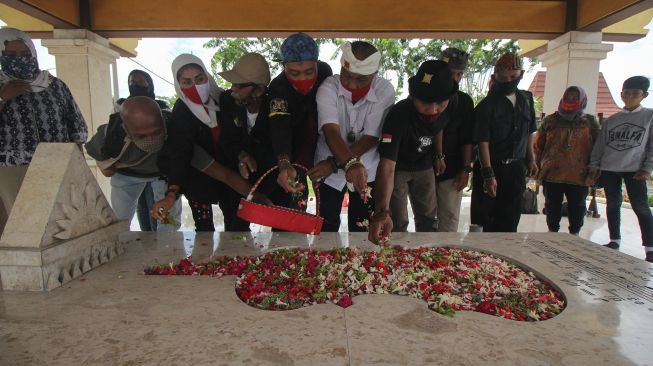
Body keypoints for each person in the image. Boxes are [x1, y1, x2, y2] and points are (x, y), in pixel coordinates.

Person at [153, 54, 266, 231]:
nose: (195, 86)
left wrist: (242, 158)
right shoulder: (182, 112)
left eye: (200, 79)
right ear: (178, 84)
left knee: (237, 228)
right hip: (200, 178)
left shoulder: (224, 100)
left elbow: (241, 135)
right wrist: (172, 193)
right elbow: (180, 153)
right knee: (204, 232)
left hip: (234, 174)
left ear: (207, 76)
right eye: (187, 82)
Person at [0, 27, 87, 235]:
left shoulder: (54, 85)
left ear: (33, 53)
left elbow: (75, 124)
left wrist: (79, 164)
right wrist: (3, 97)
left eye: (24, 54)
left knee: (61, 220)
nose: (19, 60)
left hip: (57, 162)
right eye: (11, 56)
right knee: (23, 224)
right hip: (14, 167)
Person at [308, 41, 395, 231]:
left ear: (374, 75)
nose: (352, 84)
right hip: (328, 172)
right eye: (346, 76)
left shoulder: (385, 90)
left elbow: (371, 138)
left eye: (361, 80)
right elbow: (331, 131)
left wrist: (335, 164)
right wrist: (346, 163)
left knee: (362, 226)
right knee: (325, 226)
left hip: (366, 169)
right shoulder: (328, 88)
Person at [369, 60, 457, 244]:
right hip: (398, 166)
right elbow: (387, 166)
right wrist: (382, 211)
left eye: (440, 103)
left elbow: (438, 127)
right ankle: (398, 256)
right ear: (412, 96)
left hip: (424, 164)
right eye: (425, 102)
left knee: (428, 219)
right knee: (397, 220)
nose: (433, 110)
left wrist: (439, 155)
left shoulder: (450, 105)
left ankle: (425, 256)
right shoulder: (398, 115)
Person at [85, 97, 181, 231]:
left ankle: (168, 247)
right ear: (127, 129)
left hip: (163, 175)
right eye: (142, 136)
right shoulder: (111, 135)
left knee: (168, 221)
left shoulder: (175, 127)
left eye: (156, 132)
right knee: (119, 220)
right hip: (127, 175)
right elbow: (104, 168)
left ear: (162, 121)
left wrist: (171, 195)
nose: (151, 140)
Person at [587, 76, 653, 262]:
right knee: (612, 204)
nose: (630, 96)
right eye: (627, 93)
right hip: (610, 168)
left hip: (635, 169)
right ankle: (614, 239)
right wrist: (594, 167)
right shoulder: (613, 120)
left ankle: (650, 247)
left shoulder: (649, 116)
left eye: (635, 93)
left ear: (644, 95)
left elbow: (651, 146)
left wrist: (648, 168)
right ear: (622, 94)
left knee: (641, 207)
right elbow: (600, 146)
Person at [471, 53, 537, 232]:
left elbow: (530, 131)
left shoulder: (527, 100)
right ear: (495, 77)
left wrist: (531, 158)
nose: (509, 81)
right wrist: (488, 174)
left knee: (510, 219)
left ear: (521, 74)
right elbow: (482, 142)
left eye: (513, 77)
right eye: (504, 78)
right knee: (484, 220)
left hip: (516, 168)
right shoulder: (486, 106)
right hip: (492, 167)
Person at [267, 32, 333, 198]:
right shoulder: (278, 87)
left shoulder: (325, 72)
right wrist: (284, 161)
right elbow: (279, 126)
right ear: (284, 67)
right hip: (293, 149)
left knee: (327, 200)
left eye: (309, 72)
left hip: (324, 143)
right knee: (296, 197)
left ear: (317, 64)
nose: (303, 78)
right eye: (294, 74)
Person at [218, 52, 273, 230]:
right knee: (234, 232)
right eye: (232, 84)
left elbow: (280, 144)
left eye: (239, 86)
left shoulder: (276, 106)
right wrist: (241, 156)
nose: (233, 90)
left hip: (271, 176)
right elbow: (227, 139)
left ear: (259, 90)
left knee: (283, 233)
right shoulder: (227, 101)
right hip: (236, 178)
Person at [535, 86, 600, 235]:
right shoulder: (550, 120)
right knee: (552, 204)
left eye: (575, 98)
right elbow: (538, 145)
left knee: (577, 205)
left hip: (579, 173)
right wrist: (537, 166)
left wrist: (594, 170)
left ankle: (575, 233)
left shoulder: (590, 122)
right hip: (552, 172)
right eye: (568, 97)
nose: (570, 101)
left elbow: (598, 147)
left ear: (582, 100)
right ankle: (552, 231)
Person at [116, 69, 170, 231]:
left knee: (161, 214)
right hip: (130, 172)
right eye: (132, 82)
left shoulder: (162, 109)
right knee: (136, 210)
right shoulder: (120, 109)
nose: (136, 85)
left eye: (140, 82)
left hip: (159, 172)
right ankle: (147, 238)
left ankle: (161, 247)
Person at [436, 47, 475, 232]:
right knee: (426, 221)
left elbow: (467, 138)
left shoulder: (465, 101)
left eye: (459, 74)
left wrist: (466, 169)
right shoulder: (423, 95)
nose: (455, 79)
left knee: (449, 220)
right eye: (451, 73)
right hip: (425, 169)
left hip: (452, 170)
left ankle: (444, 258)